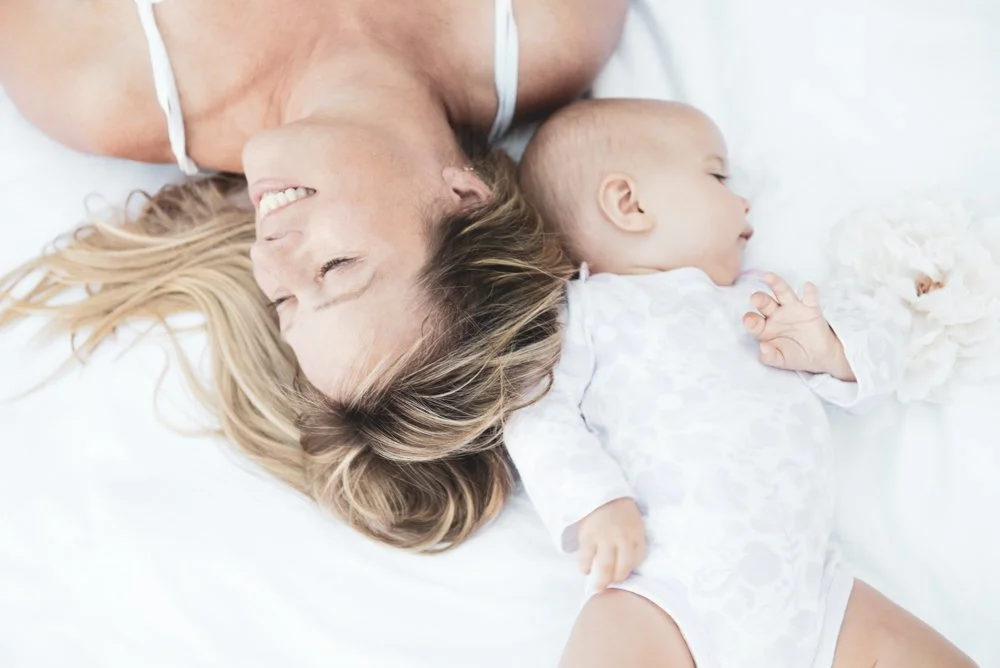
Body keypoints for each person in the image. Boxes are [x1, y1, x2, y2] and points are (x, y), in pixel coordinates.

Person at [0, 0, 626, 550]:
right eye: (336, 266)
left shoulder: (100, 82)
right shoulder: (549, 26)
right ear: (464, 197)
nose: (273, 254)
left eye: (283, 300)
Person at [508, 98, 978, 667]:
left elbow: (879, 357)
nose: (745, 199)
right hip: (659, 587)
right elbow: (533, 409)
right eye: (717, 175)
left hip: (811, 595)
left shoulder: (770, 298)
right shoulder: (584, 312)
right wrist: (594, 502)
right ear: (628, 203)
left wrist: (831, 349)